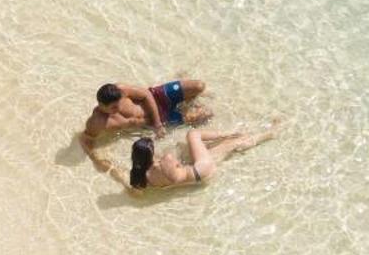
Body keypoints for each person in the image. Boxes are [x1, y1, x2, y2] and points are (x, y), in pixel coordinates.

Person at [126, 123, 278, 192]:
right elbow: (173, 160)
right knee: (195, 135)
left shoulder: (141, 178)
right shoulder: (166, 160)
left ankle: (233, 139)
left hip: (195, 178)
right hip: (202, 169)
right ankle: (268, 134)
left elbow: (136, 191)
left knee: (220, 148)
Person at [80, 77, 211, 156]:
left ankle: (183, 83)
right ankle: (187, 104)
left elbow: (146, 95)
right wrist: (102, 163)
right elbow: (87, 139)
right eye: (113, 107)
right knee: (206, 115)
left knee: (199, 86)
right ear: (101, 105)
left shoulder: (120, 90)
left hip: (158, 97)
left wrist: (157, 124)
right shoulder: (97, 122)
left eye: (119, 104)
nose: (118, 108)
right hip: (165, 117)